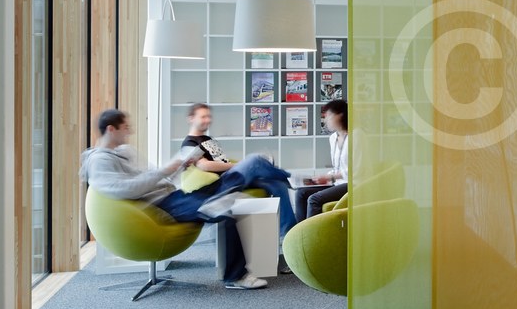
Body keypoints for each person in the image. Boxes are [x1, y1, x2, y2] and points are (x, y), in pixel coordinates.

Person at [80, 109, 267, 290]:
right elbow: (124, 189)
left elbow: (153, 176)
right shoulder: (100, 161)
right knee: (226, 211)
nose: (130, 132)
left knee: (219, 192)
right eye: (126, 127)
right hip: (159, 207)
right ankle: (235, 277)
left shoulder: (125, 151)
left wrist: (177, 168)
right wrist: (164, 171)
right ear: (111, 129)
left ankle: (225, 196)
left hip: (172, 196)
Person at [181, 102, 297, 238]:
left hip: (231, 175)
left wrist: (238, 165)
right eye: (203, 117)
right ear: (191, 119)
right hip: (223, 183)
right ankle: (292, 178)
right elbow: (204, 165)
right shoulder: (189, 143)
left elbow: (221, 160)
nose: (208, 120)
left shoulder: (208, 139)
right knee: (255, 159)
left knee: (278, 185)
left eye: (209, 116)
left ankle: (288, 233)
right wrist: (238, 165)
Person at [294, 99, 349, 222]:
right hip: (337, 182)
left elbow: (357, 171)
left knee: (314, 199)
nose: (325, 120)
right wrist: (322, 179)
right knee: (301, 193)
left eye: (328, 116)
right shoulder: (333, 138)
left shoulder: (356, 136)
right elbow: (337, 167)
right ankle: (299, 231)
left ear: (340, 115)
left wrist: (329, 177)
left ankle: (311, 232)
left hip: (351, 184)